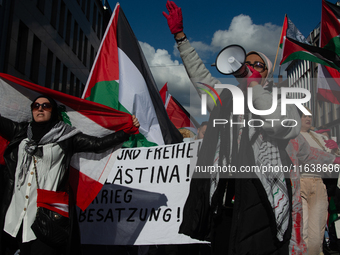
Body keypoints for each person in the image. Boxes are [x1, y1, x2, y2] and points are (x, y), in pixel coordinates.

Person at [163, 1, 301, 254]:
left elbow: (281, 125)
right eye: (245, 63)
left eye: (257, 65)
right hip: (225, 198)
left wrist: (256, 88)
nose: (249, 67)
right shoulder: (226, 99)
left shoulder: (282, 99)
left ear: (267, 73)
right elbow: (201, 77)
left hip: (262, 198)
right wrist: (181, 38)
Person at [0, 95, 140, 255]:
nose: (40, 108)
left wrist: (125, 131)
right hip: (16, 215)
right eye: (36, 105)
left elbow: (97, 144)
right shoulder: (20, 132)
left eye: (45, 106)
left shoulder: (66, 136)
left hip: (46, 214)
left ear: (53, 111)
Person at [299, 113, 340, 255]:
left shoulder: (320, 138)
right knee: (301, 230)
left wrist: (335, 150)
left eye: (310, 116)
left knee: (317, 234)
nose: (308, 119)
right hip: (299, 182)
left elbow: (333, 164)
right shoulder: (291, 136)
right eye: (304, 116)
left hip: (318, 182)